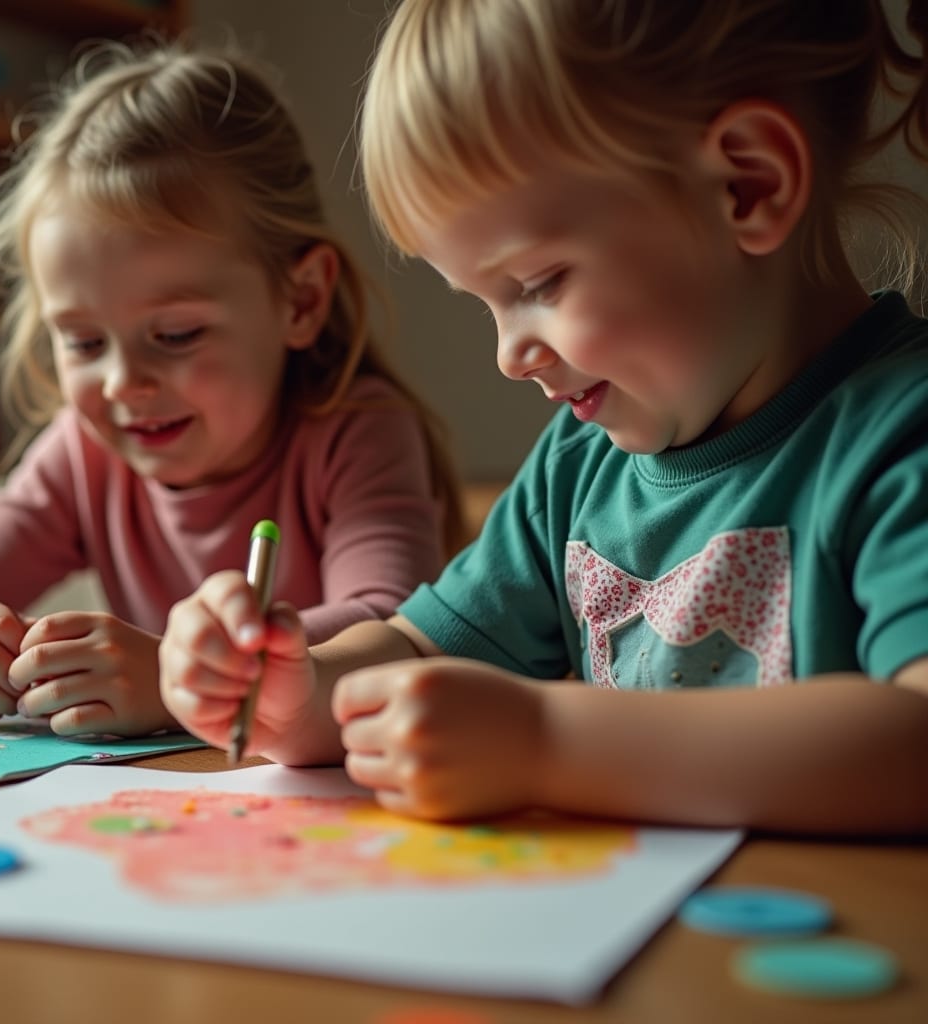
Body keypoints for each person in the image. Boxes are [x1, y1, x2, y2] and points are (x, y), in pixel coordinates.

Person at [160, 0, 928, 835]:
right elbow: (418, 651)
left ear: (749, 185)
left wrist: (545, 740)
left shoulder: (900, 434)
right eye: (485, 303)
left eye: (537, 285)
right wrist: (299, 691)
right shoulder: (576, 465)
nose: (508, 354)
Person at [0, 42, 463, 738]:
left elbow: (394, 627)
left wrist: (177, 680)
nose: (124, 383)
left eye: (176, 335)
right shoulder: (82, 456)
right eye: (84, 343)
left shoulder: (356, 430)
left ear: (300, 301)